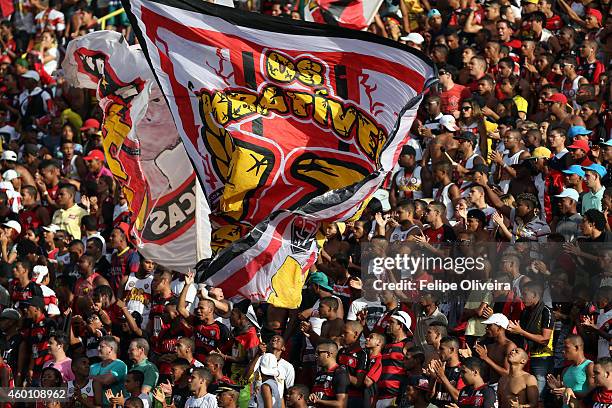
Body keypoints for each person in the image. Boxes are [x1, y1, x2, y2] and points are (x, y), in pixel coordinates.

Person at [377, 311, 412, 407]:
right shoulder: (387, 346)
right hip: (380, 396)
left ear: (400, 325)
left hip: (396, 398)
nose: (388, 324)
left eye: (391, 322)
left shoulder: (408, 345)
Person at [476, 313, 517, 385]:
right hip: (490, 385)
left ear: (499, 328)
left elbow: (507, 373)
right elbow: (486, 371)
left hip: (505, 387)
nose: (486, 328)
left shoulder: (510, 346)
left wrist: (486, 358)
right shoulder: (490, 346)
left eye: (489, 325)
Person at [309, 341, 348, 408]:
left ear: (328, 354)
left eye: (318, 353)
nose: (315, 355)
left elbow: (341, 404)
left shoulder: (340, 373)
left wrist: (319, 401)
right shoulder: (319, 373)